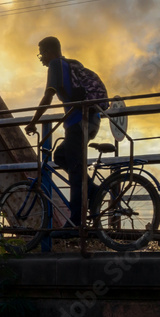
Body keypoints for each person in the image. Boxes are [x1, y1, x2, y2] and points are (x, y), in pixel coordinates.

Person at [24, 36, 102, 227]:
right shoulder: (71, 65)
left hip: (79, 122)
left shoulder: (56, 65)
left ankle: (76, 224)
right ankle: (93, 191)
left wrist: (33, 122)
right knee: (60, 155)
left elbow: (47, 96)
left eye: (41, 53)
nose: (41, 58)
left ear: (49, 51)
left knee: (76, 172)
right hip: (91, 120)